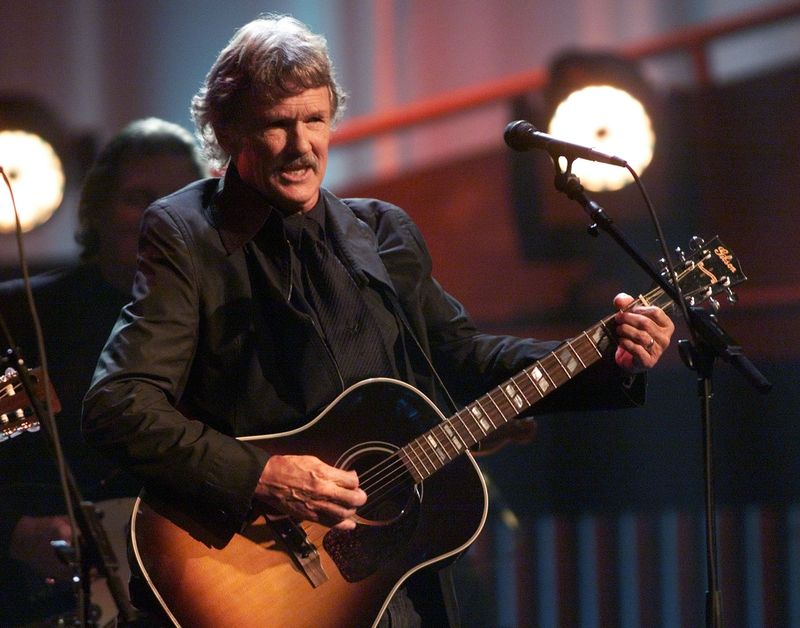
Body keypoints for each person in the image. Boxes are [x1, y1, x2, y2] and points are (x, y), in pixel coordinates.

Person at [81, 15, 675, 628]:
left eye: (314, 120)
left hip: (388, 586)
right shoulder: (186, 232)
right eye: (276, 125)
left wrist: (608, 357)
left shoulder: (381, 232)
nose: (301, 144)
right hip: (249, 575)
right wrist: (261, 475)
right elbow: (118, 404)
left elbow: (463, 358)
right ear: (228, 130)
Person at [0, 117, 206, 625]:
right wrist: (13, 530)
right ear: (97, 209)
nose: (159, 216)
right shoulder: (26, 315)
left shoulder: (228, 318)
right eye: (138, 197)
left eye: (179, 198)